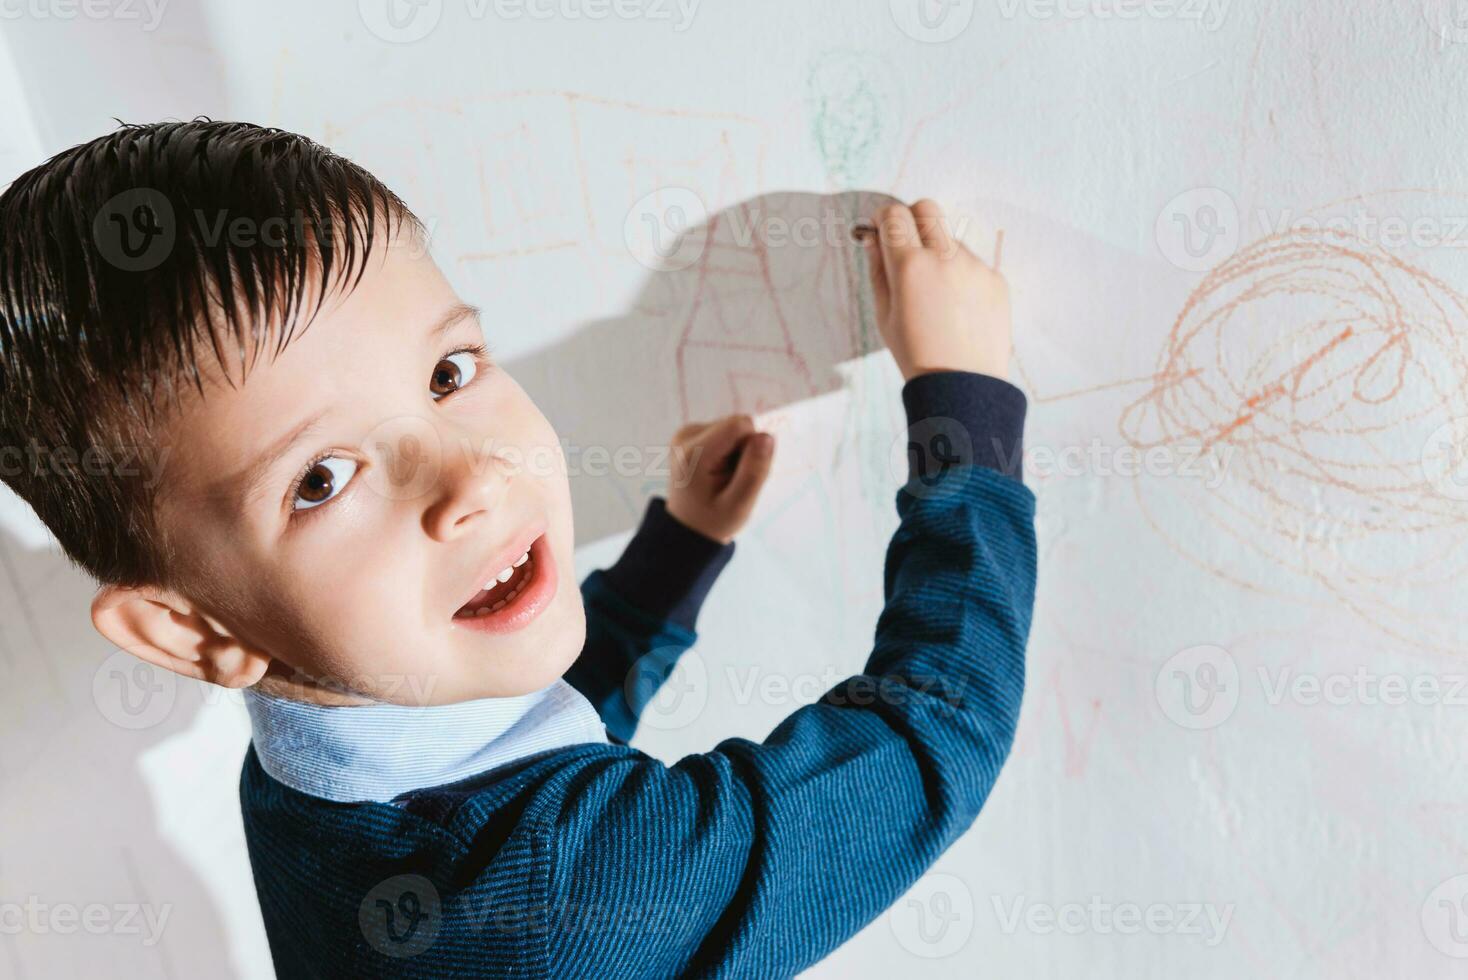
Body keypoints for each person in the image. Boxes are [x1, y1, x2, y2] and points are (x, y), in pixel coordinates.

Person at [0, 119, 1036, 978]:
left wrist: (673, 552)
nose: (471, 480)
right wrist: (961, 403)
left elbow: (511, 740)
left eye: (449, 372)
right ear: (187, 629)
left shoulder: (309, 772)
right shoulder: (569, 901)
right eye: (320, 477)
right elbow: (931, 737)